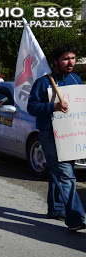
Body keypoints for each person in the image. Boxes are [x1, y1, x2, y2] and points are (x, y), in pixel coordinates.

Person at [27, 44, 86, 231]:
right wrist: (53, 107)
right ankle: (76, 218)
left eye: (73, 58)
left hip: (71, 134)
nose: (70, 62)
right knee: (66, 176)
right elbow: (31, 107)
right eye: (66, 59)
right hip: (50, 135)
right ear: (55, 62)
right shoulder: (43, 83)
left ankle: (56, 208)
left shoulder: (76, 80)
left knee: (59, 173)